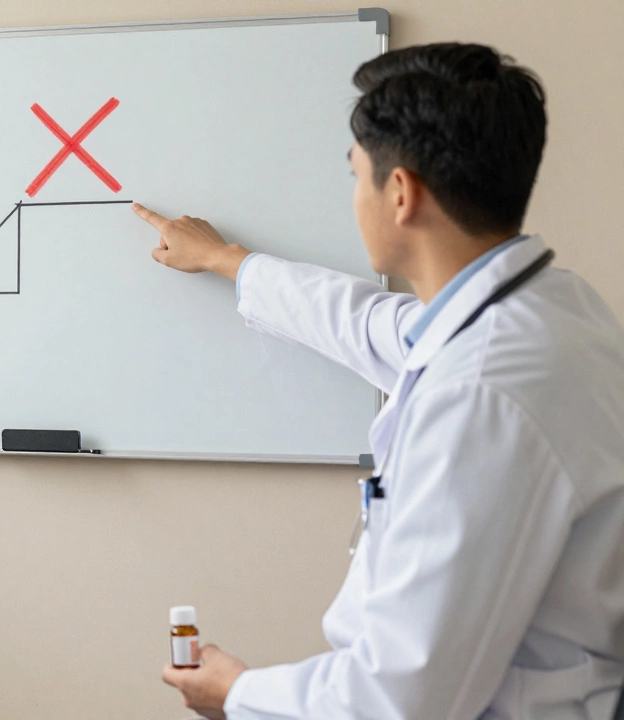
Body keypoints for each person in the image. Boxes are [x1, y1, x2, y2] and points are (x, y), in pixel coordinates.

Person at [138, 43, 624, 720]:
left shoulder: (479, 397)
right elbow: (370, 323)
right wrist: (229, 262)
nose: (354, 197)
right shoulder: (550, 311)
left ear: (400, 193)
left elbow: (400, 699)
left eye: (355, 175)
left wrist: (237, 694)